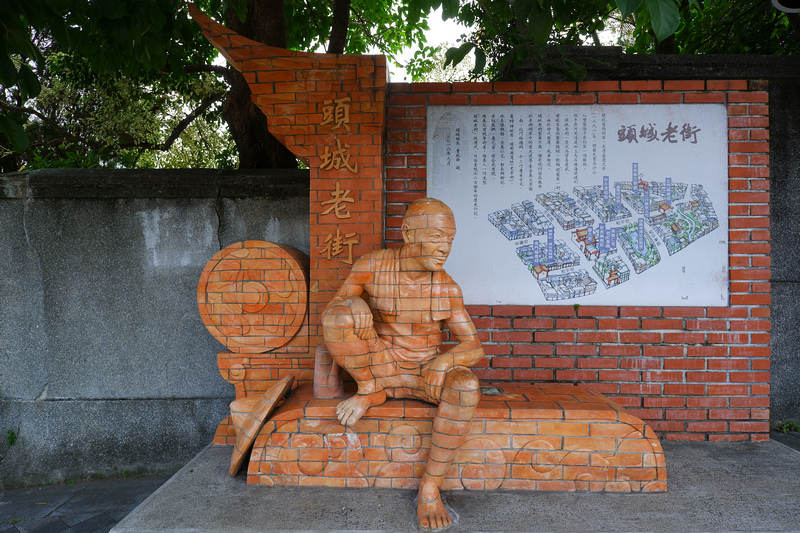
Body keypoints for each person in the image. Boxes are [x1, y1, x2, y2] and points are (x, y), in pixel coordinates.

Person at [322, 197, 484, 531]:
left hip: (426, 374)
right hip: (380, 367)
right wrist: (357, 307)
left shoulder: (447, 287)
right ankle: (370, 390)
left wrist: (445, 361)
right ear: (408, 234)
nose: (445, 249)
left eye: (450, 240)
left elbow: (473, 345)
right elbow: (334, 311)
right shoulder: (372, 267)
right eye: (437, 237)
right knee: (343, 314)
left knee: (466, 385)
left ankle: (430, 487)